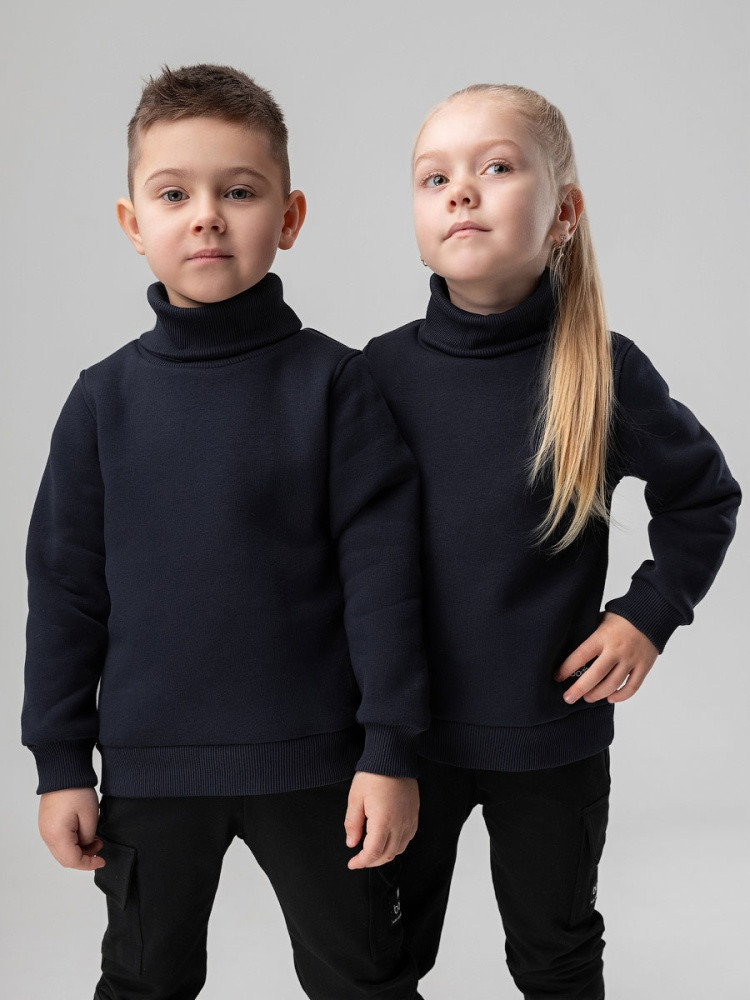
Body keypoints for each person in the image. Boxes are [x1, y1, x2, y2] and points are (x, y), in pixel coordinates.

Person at [22, 64, 428, 1000]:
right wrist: (59, 763)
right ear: (134, 223)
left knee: (364, 981)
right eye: (174, 194)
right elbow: (66, 592)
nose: (206, 217)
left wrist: (390, 751)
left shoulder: (334, 387)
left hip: (322, 763)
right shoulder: (102, 402)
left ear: (288, 217)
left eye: (238, 192)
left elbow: (386, 585)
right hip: (151, 770)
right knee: (143, 982)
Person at [364, 83, 741, 999]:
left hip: (551, 738)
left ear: (563, 214)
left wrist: (648, 614)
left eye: (496, 168)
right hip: (402, 743)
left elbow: (704, 495)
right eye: (434, 178)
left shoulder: (603, 369)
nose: (462, 191)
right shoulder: (375, 375)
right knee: (376, 962)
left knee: (556, 956)